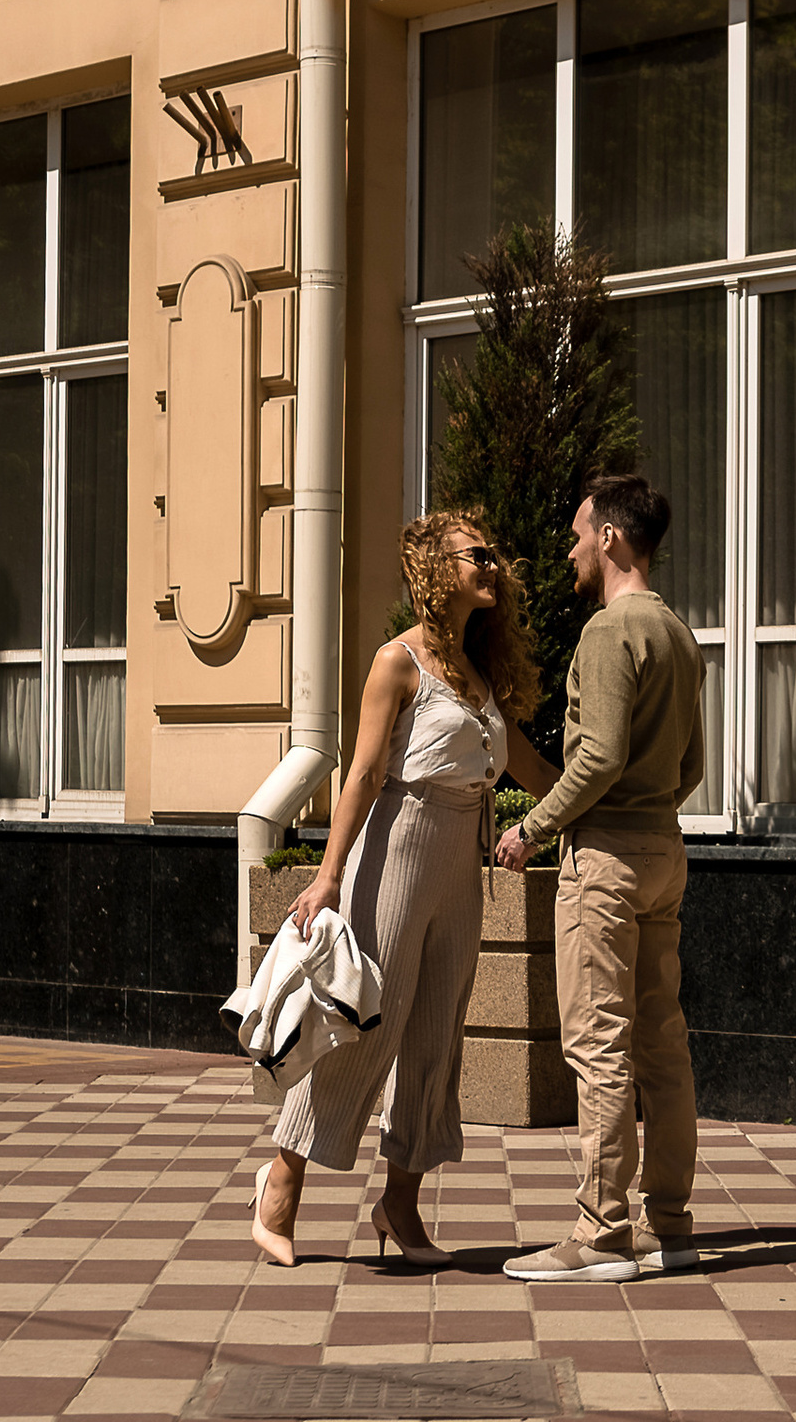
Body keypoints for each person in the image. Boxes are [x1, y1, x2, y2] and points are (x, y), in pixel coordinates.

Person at [248, 513, 560, 1268]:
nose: (494, 566)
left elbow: (530, 769)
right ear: (434, 568)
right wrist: (328, 875)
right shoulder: (398, 663)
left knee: (437, 1037)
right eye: (476, 556)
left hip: (462, 860)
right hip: (397, 846)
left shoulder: (479, 675)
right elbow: (361, 774)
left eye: (494, 555)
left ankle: (401, 1204)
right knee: (366, 1022)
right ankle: (282, 1179)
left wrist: (595, 807)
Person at [497, 472, 707, 1283]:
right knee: (663, 1047)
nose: (573, 547)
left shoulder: (607, 632)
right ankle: (674, 1226)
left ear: (613, 538)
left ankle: (602, 1235)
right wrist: (650, 812)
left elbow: (599, 753)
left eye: (582, 533)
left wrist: (534, 825)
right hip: (664, 852)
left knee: (600, 1049)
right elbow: (689, 764)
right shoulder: (681, 635)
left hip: (608, 862)